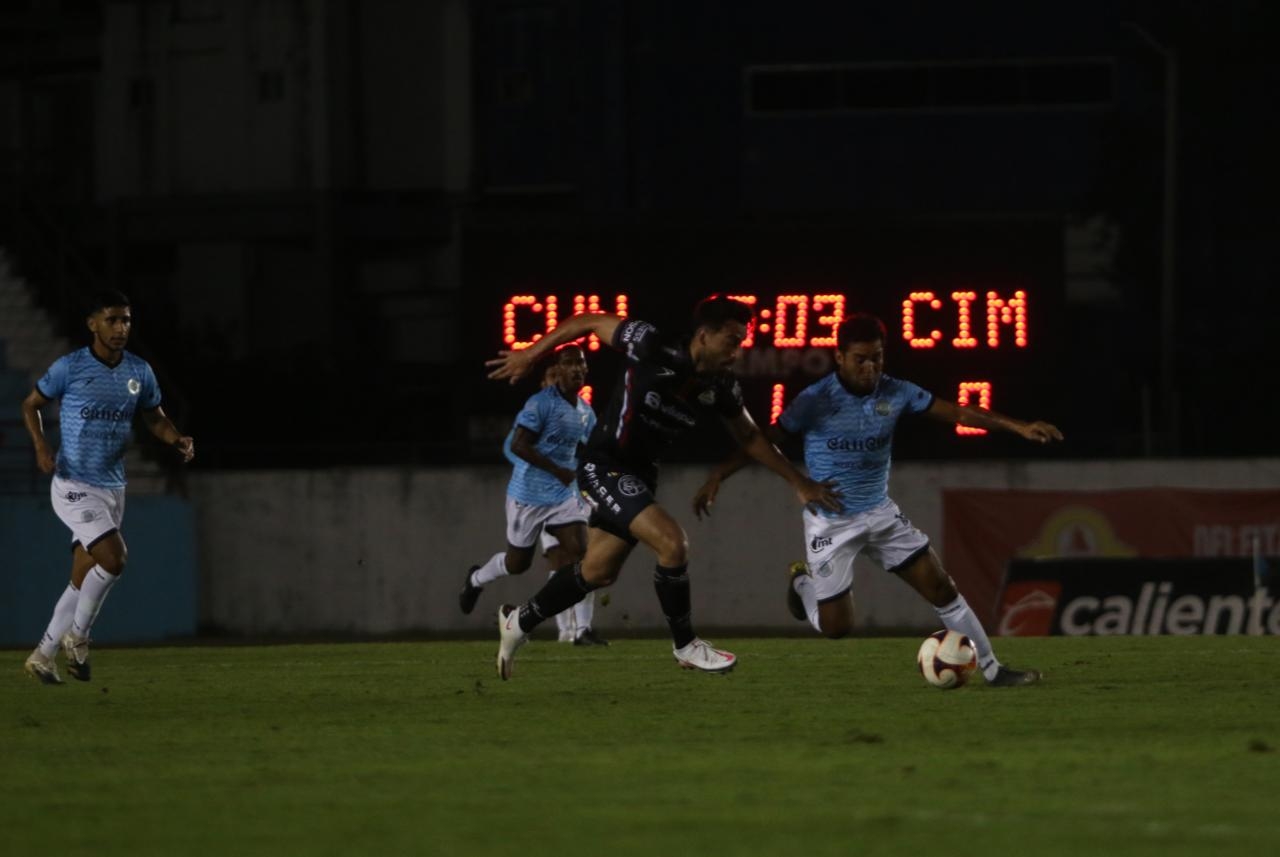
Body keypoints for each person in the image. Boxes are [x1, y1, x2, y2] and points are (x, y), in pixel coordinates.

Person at [693, 312, 1062, 687]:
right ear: (839, 357)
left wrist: (1018, 426)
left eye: (877, 358)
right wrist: (723, 475)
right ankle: (803, 585)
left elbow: (958, 412)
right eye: (860, 359)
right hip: (830, 521)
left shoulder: (897, 391)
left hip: (881, 514)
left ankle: (993, 669)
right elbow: (765, 440)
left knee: (942, 588)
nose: (870, 367)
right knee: (837, 628)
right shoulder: (816, 400)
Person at [485, 295, 842, 680]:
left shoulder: (720, 386)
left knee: (596, 573)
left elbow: (752, 437)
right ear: (704, 335)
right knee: (674, 544)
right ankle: (686, 646)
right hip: (604, 466)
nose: (737, 351)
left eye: (742, 341)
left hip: (639, 476)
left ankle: (519, 621)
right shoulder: (650, 344)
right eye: (732, 340)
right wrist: (530, 354)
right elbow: (587, 321)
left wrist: (799, 482)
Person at [20, 290, 194, 685]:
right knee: (114, 559)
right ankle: (78, 638)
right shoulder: (71, 367)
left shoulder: (139, 372)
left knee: (81, 577)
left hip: (113, 487)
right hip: (72, 483)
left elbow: (155, 418)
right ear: (92, 324)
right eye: (113, 319)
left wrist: (177, 438)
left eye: (127, 320)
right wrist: (41, 445)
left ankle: (42, 656)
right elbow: (30, 404)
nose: (121, 328)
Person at [459, 345, 607, 645]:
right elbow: (517, 446)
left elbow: (596, 451)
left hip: (564, 497)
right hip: (528, 496)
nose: (577, 369)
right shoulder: (540, 404)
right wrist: (558, 470)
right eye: (569, 364)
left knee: (582, 555)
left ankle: (581, 630)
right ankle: (476, 579)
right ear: (559, 370)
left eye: (581, 364)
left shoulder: (584, 412)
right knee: (518, 565)